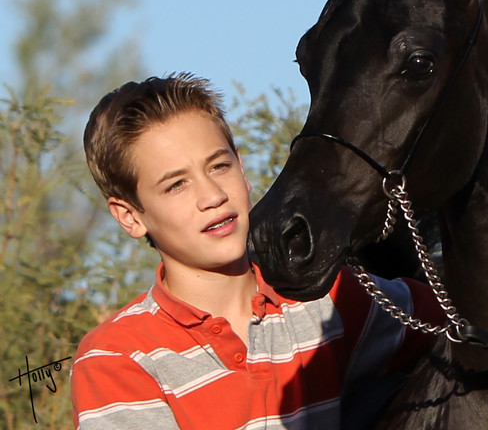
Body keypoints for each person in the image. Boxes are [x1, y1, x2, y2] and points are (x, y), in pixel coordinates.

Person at [71, 72, 445, 430]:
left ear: (242, 166)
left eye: (219, 166)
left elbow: (457, 321)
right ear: (130, 217)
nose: (213, 196)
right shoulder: (118, 359)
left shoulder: (324, 297)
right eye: (176, 185)